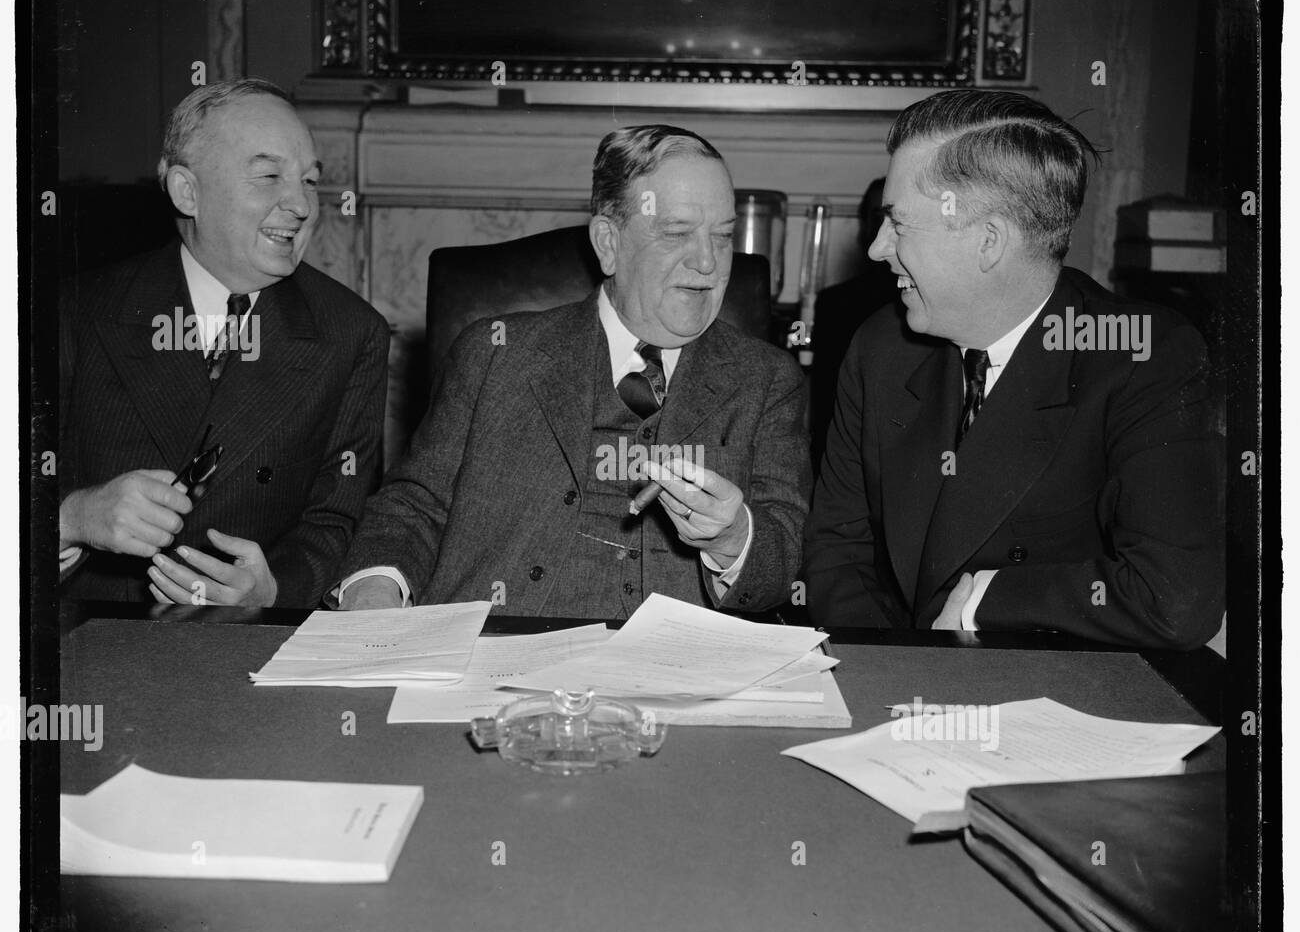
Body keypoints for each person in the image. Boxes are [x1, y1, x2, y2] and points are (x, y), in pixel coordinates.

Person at [804, 89, 1223, 649]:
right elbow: (838, 548)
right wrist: (897, 669)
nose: (878, 249)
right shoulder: (882, 347)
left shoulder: (1143, 357)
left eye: (899, 225)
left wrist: (987, 599)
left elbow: (1176, 599)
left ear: (988, 241)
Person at [338, 124, 810, 617]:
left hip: (676, 675)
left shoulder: (767, 380)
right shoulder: (495, 354)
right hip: (495, 654)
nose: (708, 262)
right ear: (608, 242)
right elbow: (415, 505)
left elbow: (783, 562)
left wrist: (735, 538)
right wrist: (374, 586)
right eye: (677, 234)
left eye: (723, 236)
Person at [59, 78, 390, 607]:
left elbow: (337, 518)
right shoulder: (75, 313)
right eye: (268, 176)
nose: (301, 205)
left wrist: (274, 588)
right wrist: (72, 518)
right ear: (188, 192)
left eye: (309, 180)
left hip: (246, 648)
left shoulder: (351, 332)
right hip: (90, 634)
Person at [809, 177, 897, 474]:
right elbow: (824, 406)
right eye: (875, 218)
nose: (881, 229)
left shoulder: (927, 310)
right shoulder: (836, 305)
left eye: (893, 218)